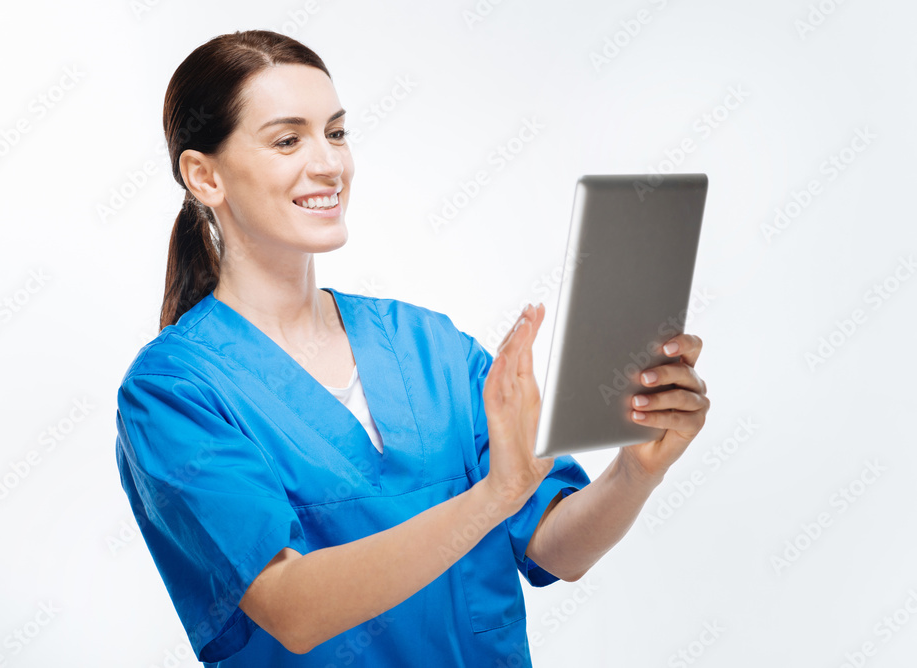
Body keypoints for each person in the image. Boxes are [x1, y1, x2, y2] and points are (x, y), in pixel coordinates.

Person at [114, 29, 710, 667]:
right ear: (203, 176)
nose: (329, 164)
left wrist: (636, 471)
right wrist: (492, 496)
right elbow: (291, 606)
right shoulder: (175, 391)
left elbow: (554, 547)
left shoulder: (428, 347)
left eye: (336, 133)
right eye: (288, 140)